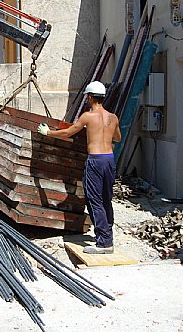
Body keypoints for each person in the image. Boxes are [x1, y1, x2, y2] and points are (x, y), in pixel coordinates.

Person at [38, 81, 121, 254]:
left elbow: (68, 133)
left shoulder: (87, 116)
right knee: (106, 199)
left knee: (94, 200)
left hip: (96, 160)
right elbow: (118, 138)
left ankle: (104, 244)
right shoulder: (113, 117)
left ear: (90, 97)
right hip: (109, 160)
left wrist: (48, 133)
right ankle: (108, 234)